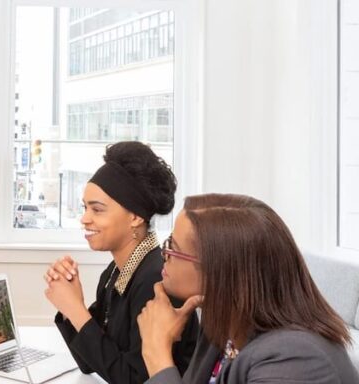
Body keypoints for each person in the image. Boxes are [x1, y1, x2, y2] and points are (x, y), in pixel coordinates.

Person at [138, 194, 359, 383]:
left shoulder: (296, 359)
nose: (164, 255)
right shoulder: (221, 326)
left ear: (219, 271)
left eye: (173, 247)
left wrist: (157, 353)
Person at [43, 142, 198, 383]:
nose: (84, 219)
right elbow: (89, 362)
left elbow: (134, 379)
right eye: (85, 208)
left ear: (135, 216)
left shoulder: (156, 280)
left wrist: (75, 309)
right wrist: (71, 305)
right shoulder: (115, 273)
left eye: (97, 210)